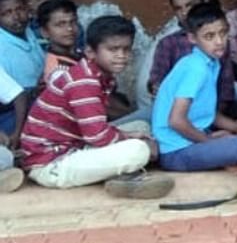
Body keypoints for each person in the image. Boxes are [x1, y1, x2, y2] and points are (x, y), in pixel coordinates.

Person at [20, 16, 173, 197]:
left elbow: (95, 133)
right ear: (90, 52)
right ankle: (120, 176)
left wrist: (129, 135)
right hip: (51, 164)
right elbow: (97, 136)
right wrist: (130, 139)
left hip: (73, 145)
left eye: (126, 49)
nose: (121, 56)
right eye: (113, 49)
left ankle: (117, 175)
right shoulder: (85, 82)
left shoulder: (93, 72)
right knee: (138, 150)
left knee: (141, 126)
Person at [152, 3, 237, 171]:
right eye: (209, 36)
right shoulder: (196, 68)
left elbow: (207, 113)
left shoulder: (210, 63)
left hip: (187, 143)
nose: (219, 41)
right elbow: (176, 121)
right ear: (192, 38)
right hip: (176, 152)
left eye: (223, 33)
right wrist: (209, 140)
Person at [145, 0, 237, 125]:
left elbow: (226, 88)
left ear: (203, 2)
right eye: (178, 8)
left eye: (189, 5)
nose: (184, 12)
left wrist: (212, 119)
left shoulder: (219, 41)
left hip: (213, 112)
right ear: (192, 38)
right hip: (175, 113)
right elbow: (157, 83)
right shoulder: (168, 44)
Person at [0, 0, 43, 135]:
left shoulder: (29, 32)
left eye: (20, 9)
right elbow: (17, 95)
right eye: (7, 13)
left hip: (35, 99)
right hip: (10, 111)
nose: (16, 17)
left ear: (28, 8)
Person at [38, 0, 80, 85]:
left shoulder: (78, 53)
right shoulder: (59, 72)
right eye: (60, 24)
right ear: (45, 32)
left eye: (73, 22)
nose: (70, 28)